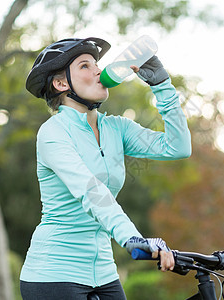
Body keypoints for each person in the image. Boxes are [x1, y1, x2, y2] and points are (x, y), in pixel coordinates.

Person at [19, 37, 191, 299]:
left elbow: (177, 146)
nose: (99, 71)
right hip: (53, 274)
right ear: (61, 83)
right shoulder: (53, 133)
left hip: (104, 273)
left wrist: (162, 85)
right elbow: (92, 192)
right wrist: (133, 238)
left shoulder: (116, 128)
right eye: (85, 66)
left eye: (97, 64)